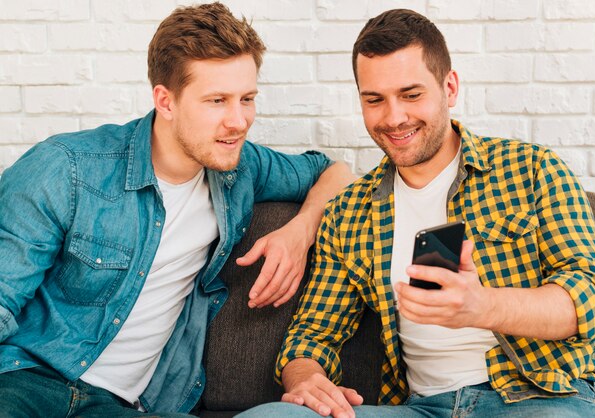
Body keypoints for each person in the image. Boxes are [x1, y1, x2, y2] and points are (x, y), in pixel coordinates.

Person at [239, 8, 595, 418]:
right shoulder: (349, 214)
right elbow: (312, 336)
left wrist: (483, 306)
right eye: (374, 100)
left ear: (449, 87)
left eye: (411, 94)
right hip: (420, 410)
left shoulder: (532, 170)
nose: (394, 117)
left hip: (540, 398)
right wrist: (305, 378)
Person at [0, 3, 354, 417]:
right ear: (165, 101)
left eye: (247, 99)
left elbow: (336, 171)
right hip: (26, 381)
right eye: (217, 100)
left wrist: (300, 231)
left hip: (123, 406)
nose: (238, 121)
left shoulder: (240, 168)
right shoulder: (66, 169)